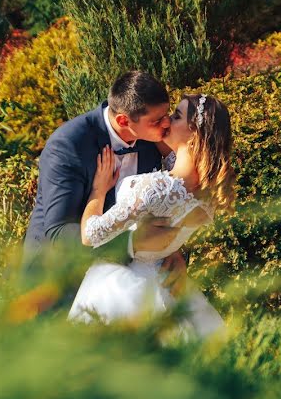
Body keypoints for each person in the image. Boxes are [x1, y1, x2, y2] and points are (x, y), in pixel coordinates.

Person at [68, 93, 235, 338]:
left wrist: (98, 190)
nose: (166, 121)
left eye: (176, 116)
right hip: (167, 283)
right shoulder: (208, 194)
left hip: (122, 286)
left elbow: (90, 235)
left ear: (193, 135)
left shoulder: (154, 188)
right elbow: (176, 160)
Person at [22, 71, 186, 288]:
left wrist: (167, 249)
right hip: (58, 278)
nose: (166, 123)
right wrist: (133, 244)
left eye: (167, 114)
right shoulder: (68, 145)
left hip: (125, 279)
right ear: (123, 120)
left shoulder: (149, 139)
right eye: (157, 120)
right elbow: (59, 232)